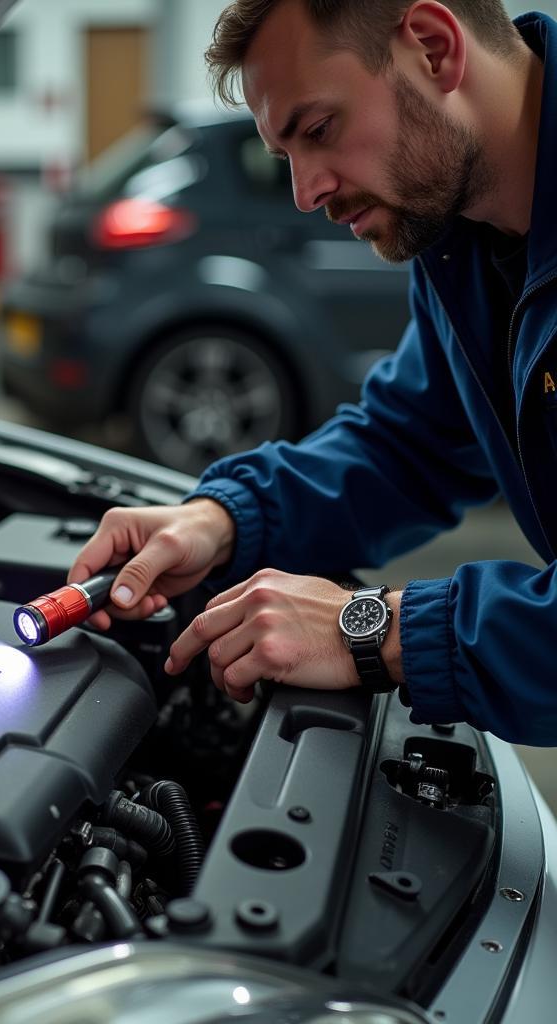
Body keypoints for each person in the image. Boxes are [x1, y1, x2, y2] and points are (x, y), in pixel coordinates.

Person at [69, 0, 557, 745]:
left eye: (320, 131)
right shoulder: (459, 236)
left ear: (432, 48)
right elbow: (408, 442)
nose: (307, 194)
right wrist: (227, 520)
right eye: (285, 156)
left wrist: (367, 629)